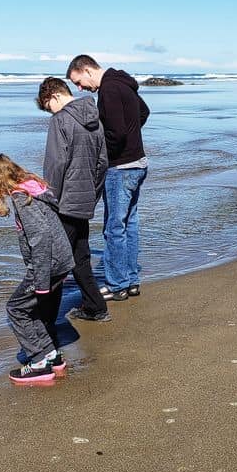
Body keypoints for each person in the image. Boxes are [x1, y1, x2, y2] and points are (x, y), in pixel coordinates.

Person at [0, 154, 75, 383]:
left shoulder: (23, 198)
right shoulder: (34, 190)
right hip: (60, 261)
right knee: (33, 310)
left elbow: (40, 239)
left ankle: (39, 363)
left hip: (47, 266)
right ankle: (51, 355)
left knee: (16, 309)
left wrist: (40, 281)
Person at [66, 55, 150, 302]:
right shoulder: (123, 84)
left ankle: (117, 285)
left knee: (114, 228)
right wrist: (132, 138)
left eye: (79, 82)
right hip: (138, 163)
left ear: (88, 70)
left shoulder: (109, 89)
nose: (80, 89)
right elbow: (143, 112)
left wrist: (101, 155)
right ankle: (131, 280)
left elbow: (116, 133)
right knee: (128, 224)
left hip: (120, 167)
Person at [36, 76, 110, 322]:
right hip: (84, 200)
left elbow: (56, 164)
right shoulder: (94, 118)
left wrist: (49, 198)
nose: (50, 112)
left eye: (48, 106)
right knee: (80, 256)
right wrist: (93, 194)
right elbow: (102, 163)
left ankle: (45, 318)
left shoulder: (61, 120)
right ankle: (96, 307)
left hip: (65, 202)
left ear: (55, 96)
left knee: (56, 261)